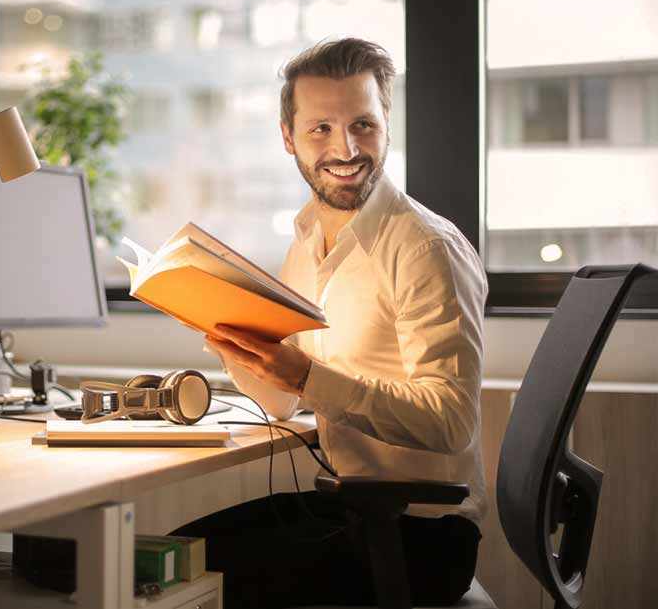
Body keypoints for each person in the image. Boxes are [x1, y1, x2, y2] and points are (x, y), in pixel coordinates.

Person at [171, 38, 488, 608]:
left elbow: (451, 420)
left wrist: (307, 377)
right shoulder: (307, 239)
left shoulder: (425, 247)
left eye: (363, 124)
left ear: (386, 123)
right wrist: (233, 344)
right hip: (350, 510)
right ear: (288, 137)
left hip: (421, 536)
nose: (346, 148)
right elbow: (283, 404)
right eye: (321, 128)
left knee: (174, 580)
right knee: (166, 555)